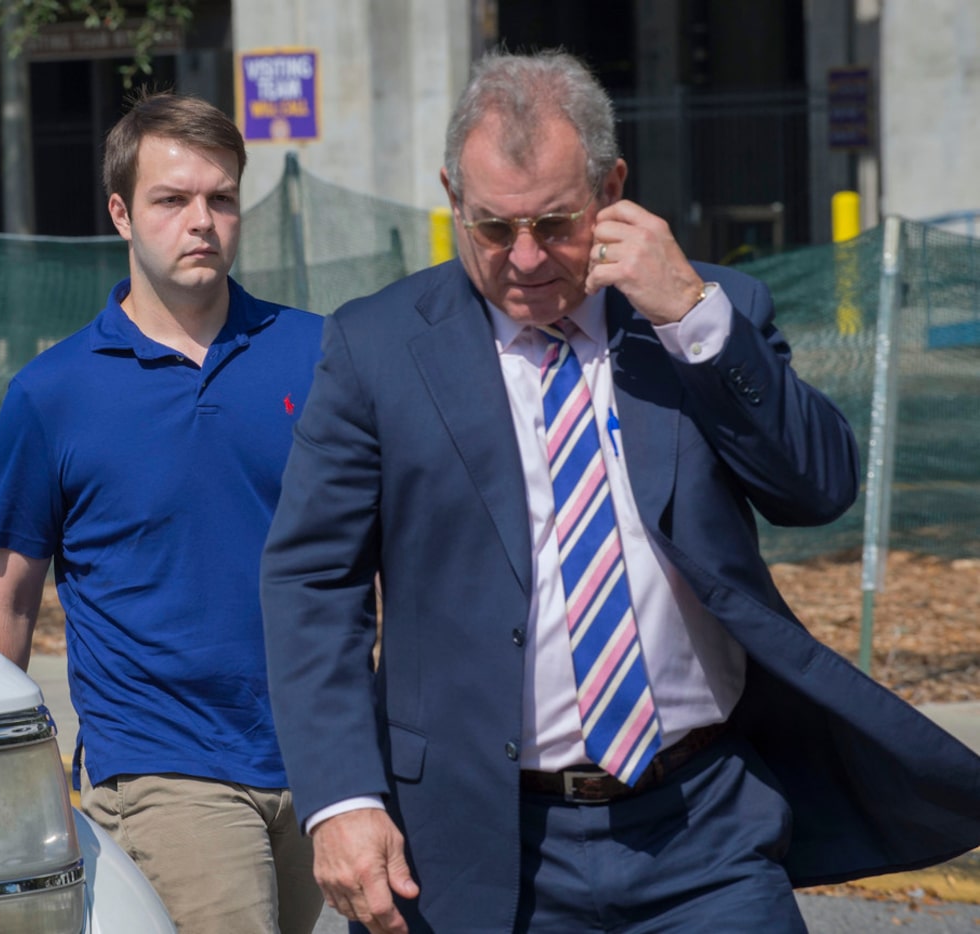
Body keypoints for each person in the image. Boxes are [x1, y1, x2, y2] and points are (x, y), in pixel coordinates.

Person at [259, 49, 980, 933]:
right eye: (492, 228)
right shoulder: (376, 349)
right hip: (477, 842)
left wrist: (691, 316)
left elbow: (817, 487)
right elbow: (311, 585)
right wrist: (341, 797)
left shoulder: (709, 316)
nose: (524, 259)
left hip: (704, 829)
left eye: (556, 224)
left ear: (613, 187)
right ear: (452, 194)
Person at [0, 89, 325, 934]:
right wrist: (7, 789)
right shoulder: (51, 395)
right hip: (162, 767)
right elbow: (7, 597)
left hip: (320, 752)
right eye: (173, 200)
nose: (201, 220)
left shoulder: (318, 355)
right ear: (122, 213)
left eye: (222, 198)